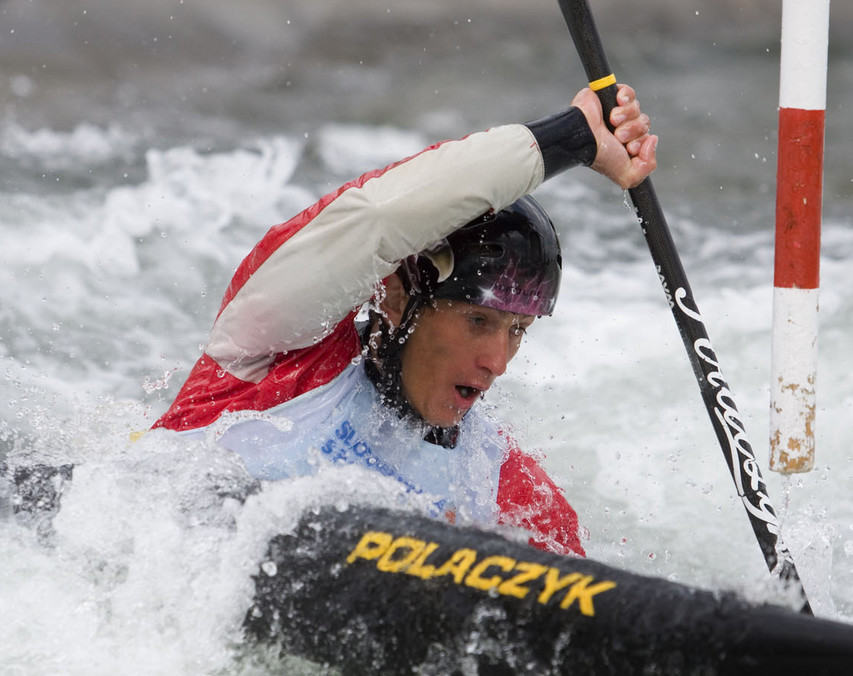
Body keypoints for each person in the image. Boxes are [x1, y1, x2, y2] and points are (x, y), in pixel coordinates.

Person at [152, 86, 657, 557]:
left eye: (517, 330)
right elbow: (376, 218)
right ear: (395, 297)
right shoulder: (274, 348)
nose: (498, 362)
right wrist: (570, 138)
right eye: (478, 321)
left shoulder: (499, 483)